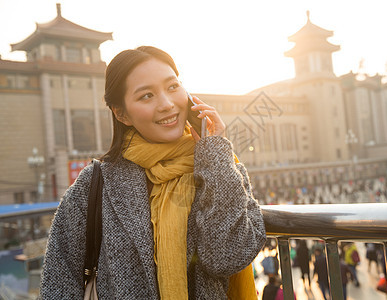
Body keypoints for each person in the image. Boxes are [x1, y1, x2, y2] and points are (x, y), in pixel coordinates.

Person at [39, 46, 266, 299]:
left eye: (172, 87)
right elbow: (58, 283)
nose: (167, 105)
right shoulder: (95, 184)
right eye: (146, 96)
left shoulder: (221, 167)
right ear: (121, 114)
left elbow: (227, 258)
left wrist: (214, 151)